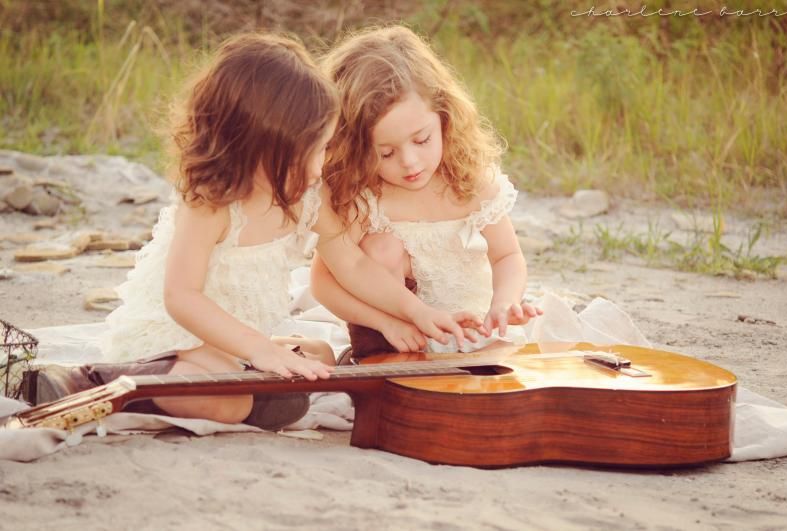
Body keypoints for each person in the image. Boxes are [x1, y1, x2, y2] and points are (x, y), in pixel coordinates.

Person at [33, 32, 480, 428]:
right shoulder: (211, 204)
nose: (320, 165)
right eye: (309, 152)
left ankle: (246, 388)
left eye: (324, 149)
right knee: (225, 397)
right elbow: (181, 298)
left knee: (317, 357)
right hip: (175, 339)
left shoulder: (306, 197)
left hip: (237, 343)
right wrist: (261, 352)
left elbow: (353, 263)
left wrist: (413, 311)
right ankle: (91, 382)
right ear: (256, 149)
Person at [310, 26, 542, 359]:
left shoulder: (470, 181)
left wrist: (505, 302)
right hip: (397, 340)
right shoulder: (363, 197)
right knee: (382, 248)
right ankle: (377, 362)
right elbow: (323, 282)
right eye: (386, 153)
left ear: (445, 118)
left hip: (472, 329)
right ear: (355, 146)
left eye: (421, 140)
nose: (410, 162)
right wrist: (386, 323)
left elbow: (507, 256)